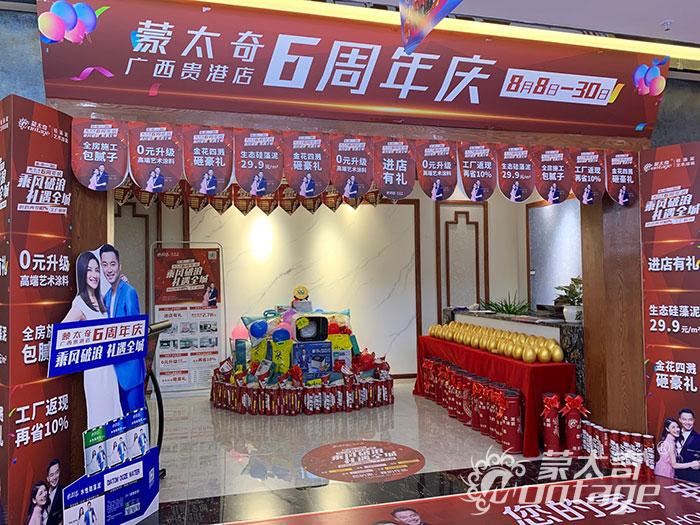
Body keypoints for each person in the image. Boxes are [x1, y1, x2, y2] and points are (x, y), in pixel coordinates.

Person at [62, 252, 122, 428]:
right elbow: (63, 333)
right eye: (89, 270)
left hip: (110, 367)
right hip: (95, 371)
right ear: (82, 272)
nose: (94, 275)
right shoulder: (80, 303)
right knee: (100, 415)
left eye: (97, 270)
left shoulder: (100, 299)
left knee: (113, 412)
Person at [99, 244, 144, 415]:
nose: (109, 269)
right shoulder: (106, 296)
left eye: (112, 264)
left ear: (119, 266)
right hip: (113, 372)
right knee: (121, 419)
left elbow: (136, 331)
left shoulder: (129, 292)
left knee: (135, 418)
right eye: (105, 265)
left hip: (130, 372)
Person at [676, 408, 700, 482]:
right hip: (672, 475)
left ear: (694, 420)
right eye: (684, 419)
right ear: (680, 420)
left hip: (691, 477)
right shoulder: (673, 435)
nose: (687, 422)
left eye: (690, 420)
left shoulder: (698, 438)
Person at [45, 459, 63, 525]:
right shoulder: (44, 494)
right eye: (52, 475)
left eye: (57, 472)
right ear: (48, 479)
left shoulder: (63, 492)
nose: (55, 477)